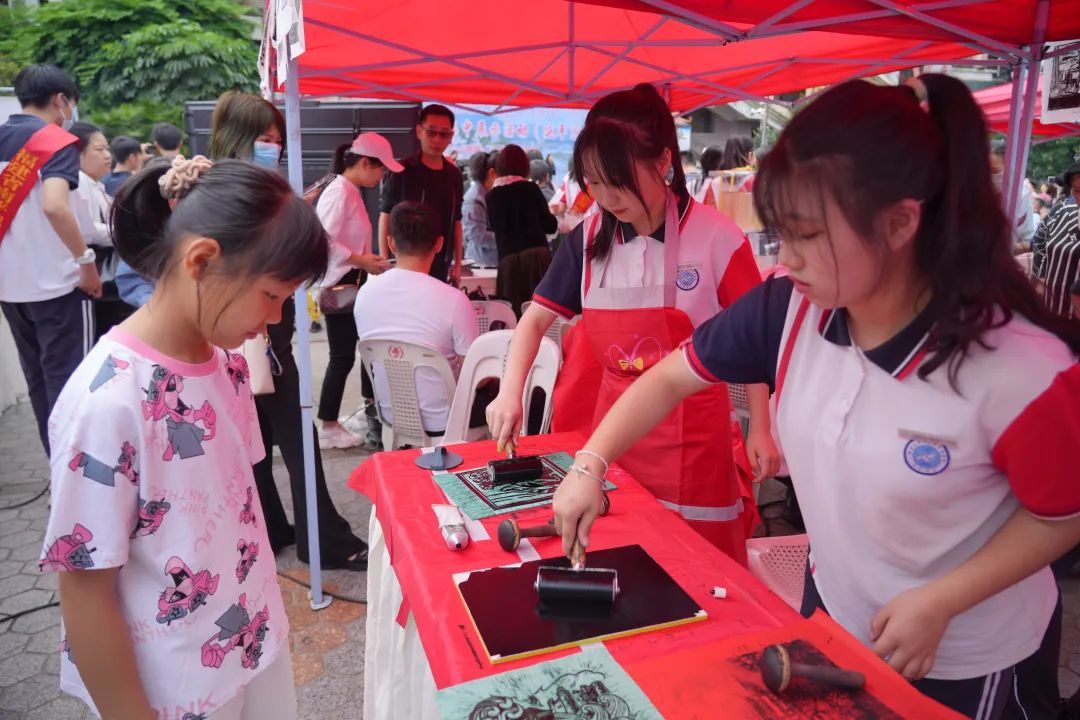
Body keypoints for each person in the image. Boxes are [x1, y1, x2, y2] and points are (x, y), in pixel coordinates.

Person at [553, 75, 1080, 719]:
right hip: (833, 615)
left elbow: (1063, 512)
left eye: (806, 236)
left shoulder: (1019, 366)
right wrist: (590, 465)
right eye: (780, 233)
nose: (786, 257)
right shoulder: (789, 309)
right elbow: (667, 378)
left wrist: (946, 599)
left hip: (969, 658)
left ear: (899, 223)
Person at [41, 156, 321, 719]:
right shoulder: (106, 403)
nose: (273, 318)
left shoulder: (231, 367)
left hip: (252, 642)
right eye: (271, 295)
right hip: (170, 686)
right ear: (202, 260)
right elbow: (85, 591)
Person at [487, 84, 778, 563]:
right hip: (609, 439)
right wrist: (509, 391)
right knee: (620, 560)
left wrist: (761, 428)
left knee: (697, 567)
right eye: (594, 183)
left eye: (618, 182)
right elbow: (533, 321)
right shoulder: (588, 239)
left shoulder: (717, 238)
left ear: (663, 161)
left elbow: (755, 342)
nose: (606, 198)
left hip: (695, 444)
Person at [210, 90, 368, 571]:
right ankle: (324, 541)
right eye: (265, 138)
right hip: (259, 339)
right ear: (238, 137)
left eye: (277, 139)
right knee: (297, 442)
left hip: (251, 340)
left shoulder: (226, 187)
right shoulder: (239, 193)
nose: (274, 148)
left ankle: (275, 528)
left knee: (258, 441)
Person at [0, 64, 102, 456]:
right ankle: (78, 472)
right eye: (70, 103)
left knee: (39, 382)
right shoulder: (56, 142)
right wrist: (86, 261)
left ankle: (58, 468)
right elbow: (55, 206)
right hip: (59, 286)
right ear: (60, 100)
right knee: (73, 383)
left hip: (11, 289)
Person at [355, 202, 480, 434]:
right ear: (439, 244)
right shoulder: (454, 300)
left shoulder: (364, 294)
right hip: (447, 421)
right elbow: (473, 372)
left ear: (391, 243)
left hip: (391, 415)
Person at [314, 134, 400, 450]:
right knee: (341, 357)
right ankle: (328, 424)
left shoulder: (349, 191)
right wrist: (361, 259)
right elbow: (323, 241)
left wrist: (365, 260)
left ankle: (359, 413)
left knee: (359, 352)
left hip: (353, 281)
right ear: (365, 163)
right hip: (341, 285)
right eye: (381, 169)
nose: (382, 176)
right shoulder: (339, 192)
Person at [378, 104, 464, 285]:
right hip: (405, 263)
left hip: (441, 262)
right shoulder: (401, 170)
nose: (437, 139)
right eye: (431, 132)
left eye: (443, 134)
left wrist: (457, 263)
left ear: (451, 137)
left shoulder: (454, 175)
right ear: (419, 131)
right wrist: (385, 259)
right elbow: (385, 215)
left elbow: (457, 220)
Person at [70, 121, 132, 340]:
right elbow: (88, 229)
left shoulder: (95, 183)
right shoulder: (80, 181)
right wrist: (125, 233)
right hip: (96, 274)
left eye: (108, 149)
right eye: (99, 150)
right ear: (78, 154)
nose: (107, 156)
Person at [487, 145, 558, 314]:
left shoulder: (492, 196)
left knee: (512, 313)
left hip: (508, 261)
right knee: (540, 311)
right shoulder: (531, 189)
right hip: (536, 257)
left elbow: (496, 228)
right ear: (525, 167)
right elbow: (550, 226)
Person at [1033, 161, 1080, 319]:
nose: (1079, 195)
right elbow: (1041, 242)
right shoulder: (1063, 213)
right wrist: (1041, 275)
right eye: (1076, 190)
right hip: (1052, 308)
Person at [989, 141, 1037, 252]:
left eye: (994, 170)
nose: (988, 176)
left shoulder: (1021, 195)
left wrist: (1016, 247)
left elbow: (1028, 239)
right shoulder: (968, 193)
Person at [463, 150, 499, 267]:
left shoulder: (488, 193)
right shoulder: (474, 199)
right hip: (482, 263)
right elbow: (477, 235)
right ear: (491, 173)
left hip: (491, 259)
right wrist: (506, 238)